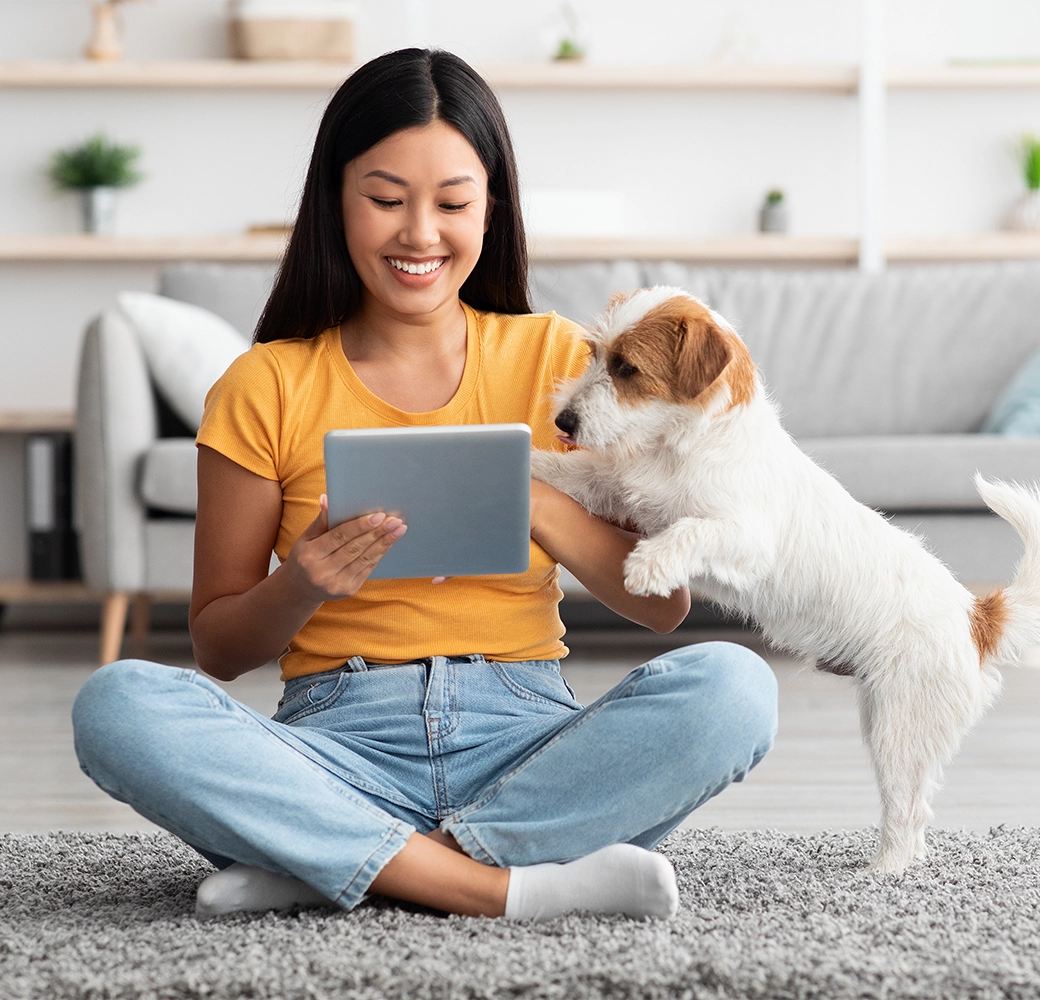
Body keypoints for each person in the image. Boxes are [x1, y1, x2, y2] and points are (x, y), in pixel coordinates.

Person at [71, 48, 777, 923]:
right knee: (118, 703)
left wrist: (537, 505)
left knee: (734, 688)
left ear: (491, 208)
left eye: (451, 203)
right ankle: (492, 883)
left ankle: (334, 862)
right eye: (385, 198)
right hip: (336, 743)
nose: (419, 234)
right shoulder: (265, 383)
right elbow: (218, 647)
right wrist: (304, 581)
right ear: (336, 200)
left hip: (525, 734)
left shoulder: (566, 364)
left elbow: (662, 606)